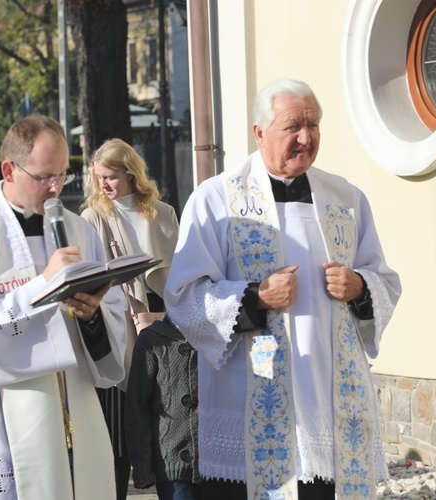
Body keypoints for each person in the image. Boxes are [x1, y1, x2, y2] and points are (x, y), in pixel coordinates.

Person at [164, 78, 402, 499]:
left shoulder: (345, 199)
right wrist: (255, 297)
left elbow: (384, 281)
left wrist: (360, 286)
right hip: (252, 389)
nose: (305, 138)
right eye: (292, 126)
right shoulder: (216, 199)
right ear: (259, 132)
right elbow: (184, 297)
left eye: (313, 126)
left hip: (330, 399)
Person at [0, 115, 129, 499]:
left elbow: (112, 319)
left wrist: (91, 316)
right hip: (2, 418)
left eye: (63, 175)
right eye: (43, 178)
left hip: (77, 410)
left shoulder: (80, 229)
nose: (55, 188)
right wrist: (42, 287)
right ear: (9, 169)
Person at [81, 138, 180, 500]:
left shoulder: (162, 211)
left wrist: (163, 315)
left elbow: (178, 275)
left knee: (167, 419)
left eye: (110, 177)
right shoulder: (92, 216)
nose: (103, 185)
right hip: (119, 325)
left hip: (166, 323)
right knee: (119, 431)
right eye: (99, 178)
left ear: (130, 174)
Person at [125, 315, 201, 500]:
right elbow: (137, 406)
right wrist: (142, 465)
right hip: (171, 464)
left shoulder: (215, 337)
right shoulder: (151, 339)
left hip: (215, 462)